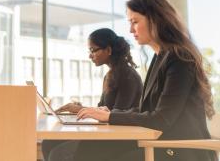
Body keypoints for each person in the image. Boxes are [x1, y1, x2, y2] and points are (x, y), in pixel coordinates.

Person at [64, 0, 217, 161]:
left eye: (135, 22)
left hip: (181, 150)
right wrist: (111, 112)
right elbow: (148, 110)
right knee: (91, 148)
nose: (130, 30)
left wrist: (109, 116)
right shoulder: (160, 56)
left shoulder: (180, 59)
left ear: (155, 20)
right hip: (161, 143)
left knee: (100, 152)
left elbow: (161, 119)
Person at [41, 28, 143, 161]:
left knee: (59, 154)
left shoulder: (128, 76)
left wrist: (86, 111)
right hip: (108, 134)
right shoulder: (110, 75)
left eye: (93, 50)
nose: (90, 55)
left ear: (108, 50)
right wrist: (80, 109)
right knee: (48, 142)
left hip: (120, 139)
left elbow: (119, 115)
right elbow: (103, 109)